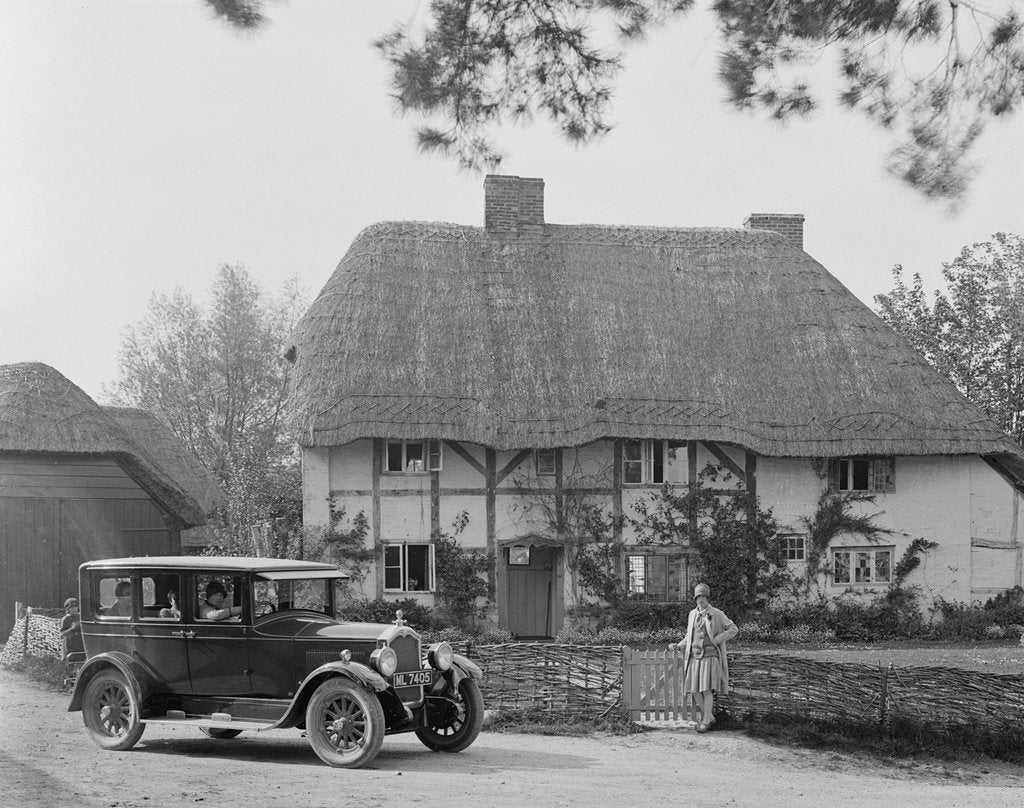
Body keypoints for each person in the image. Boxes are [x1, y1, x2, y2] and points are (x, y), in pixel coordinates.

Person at [672, 583, 738, 733]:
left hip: (710, 656)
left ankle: (706, 721)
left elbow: (733, 629)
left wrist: (717, 639)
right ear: (695, 598)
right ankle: (711, 717)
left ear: (707, 597)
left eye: (703, 596)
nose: (700, 599)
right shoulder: (692, 614)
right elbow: (689, 636)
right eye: (698, 596)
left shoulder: (717, 613)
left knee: (707, 690)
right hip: (694, 657)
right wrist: (679, 645)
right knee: (694, 690)